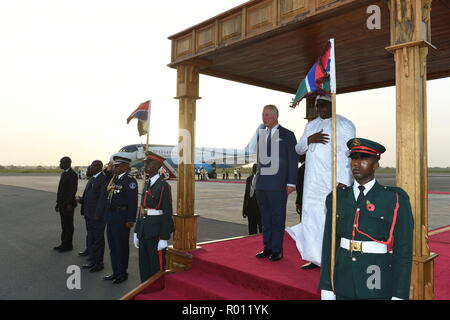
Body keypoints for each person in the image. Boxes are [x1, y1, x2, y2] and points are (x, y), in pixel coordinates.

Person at [319, 138, 414, 300]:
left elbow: (403, 252)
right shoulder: (337, 198)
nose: (356, 163)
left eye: (363, 158)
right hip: (344, 279)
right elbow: (329, 245)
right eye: (354, 158)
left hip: (376, 277)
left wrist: (399, 295)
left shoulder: (394, 199)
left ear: (376, 164)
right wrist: (327, 286)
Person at [287, 95, 355, 269]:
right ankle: (315, 257)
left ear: (333, 105)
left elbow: (348, 155)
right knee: (311, 219)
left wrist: (344, 180)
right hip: (311, 182)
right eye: (317, 106)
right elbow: (298, 149)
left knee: (330, 220)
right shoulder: (310, 125)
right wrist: (310, 139)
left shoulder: (345, 125)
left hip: (331, 181)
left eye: (323, 105)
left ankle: (333, 258)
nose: (319, 109)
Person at [255, 104, 297, 262]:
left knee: (277, 218)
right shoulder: (262, 135)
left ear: (275, 116)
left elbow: (293, 161)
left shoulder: (287, 135)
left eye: (266, 115)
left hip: (278, 185)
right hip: (262, 185)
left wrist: (291, 183)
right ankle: (267, 248)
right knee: (265, 219)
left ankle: (277, 250)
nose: (264, 118)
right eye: (263, 114)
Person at [134, 154, 174, 282]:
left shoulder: (163, 186)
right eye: (145, 163)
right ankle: (145, 288)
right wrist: (136, 230)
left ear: (157, 166)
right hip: (144, 229)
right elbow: (142, 209)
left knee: (156, 265)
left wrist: (164, 237)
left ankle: (158, 291)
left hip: (155, 231)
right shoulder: (147, 183)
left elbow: (167, 213)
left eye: (149, 163)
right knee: (144, 263)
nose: (145, 166)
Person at [103, 154, 138, 284]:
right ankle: (115, 271)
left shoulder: (129, 181)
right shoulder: (114, 179)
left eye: (117, 166)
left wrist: (130, 219)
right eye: (114, 166)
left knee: (121, 246)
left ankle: (122, 273)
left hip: (122, 217)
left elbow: (133, 202)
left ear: (125, 167)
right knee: (112, 245)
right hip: (111, 216)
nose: (114, 168)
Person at [78, 160, 106, 272]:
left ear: (99, 167)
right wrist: (81, 200)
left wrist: (98, 214)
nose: (91, 167)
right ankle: (92, 259)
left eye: (93, 166)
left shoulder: (103, 179)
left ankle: (98, 263)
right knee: (91, 237)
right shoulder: (93, 178)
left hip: (96, 216)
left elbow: (102, 199)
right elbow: (89, 196)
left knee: (98, 239)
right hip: (89, 214)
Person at [54, 156, 78, 252]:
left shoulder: (72, 174)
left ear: (67, 163)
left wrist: (69, 204)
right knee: (64, 225)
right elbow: (61, 190)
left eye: (61, 162)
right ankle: (63, 243)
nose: (60, 164)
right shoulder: (64, 173)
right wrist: (58, 203)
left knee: (68, 225)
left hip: (68, 205)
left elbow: (72, 190)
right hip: (62, 204)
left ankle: (68, 245)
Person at [242, 164, 262, 235]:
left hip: (260, 209)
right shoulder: (249, 179)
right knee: (251, 230)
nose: (254, 170)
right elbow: (246, 195)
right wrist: (244, 209)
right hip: (250, 209)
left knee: (262, 230)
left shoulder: (262, 179)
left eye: (256, 168)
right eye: (253, 168)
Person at [77, 165, 92, 257]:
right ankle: (89, 249)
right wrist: (81, 199)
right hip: (88, 212)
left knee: (94, 235)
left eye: (89, 169)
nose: (87, 171)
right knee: (89, 234)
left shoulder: (98, 180)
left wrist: (81, 200)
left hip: (93, 214)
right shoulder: (91, 180)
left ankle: (94, 256)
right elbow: (89, 197)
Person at [295, 154, 306, 222]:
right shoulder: (312, 168)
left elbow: (299, 187)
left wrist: (298, 202)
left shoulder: (301, 169)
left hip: (303, 201)